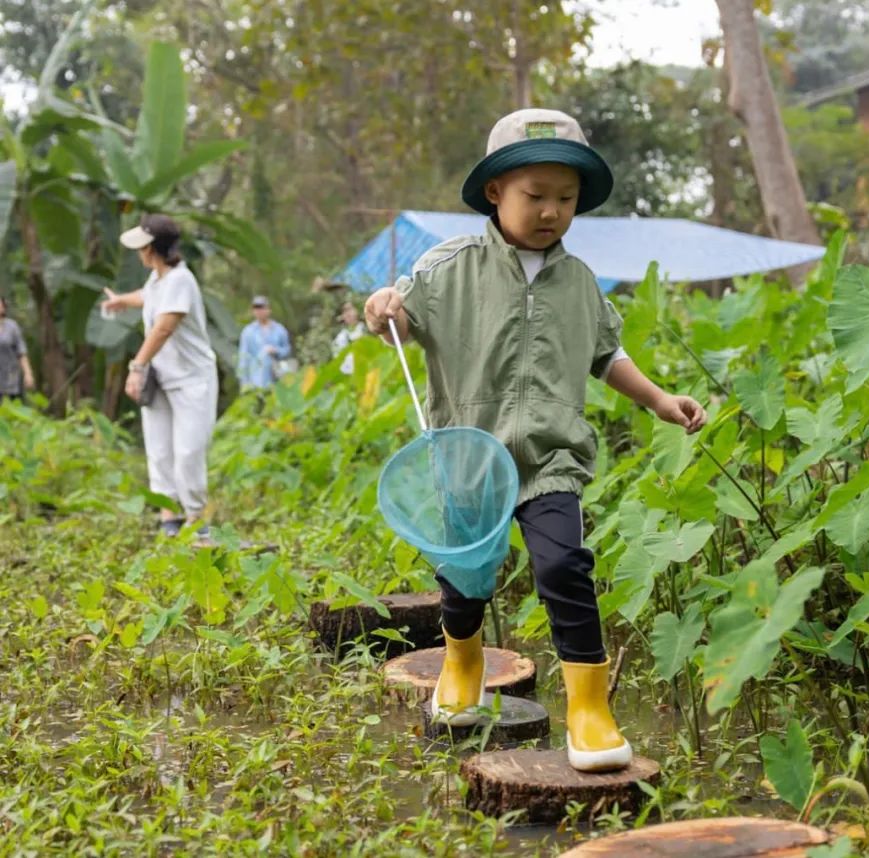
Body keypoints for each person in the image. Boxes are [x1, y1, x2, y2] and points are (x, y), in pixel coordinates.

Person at [365, 108, 706, 772]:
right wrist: (384, 310)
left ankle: (589, 710)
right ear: (495, 192)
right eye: (535, 195)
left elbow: (606, 354)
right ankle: (463, 660)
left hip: (551, 457)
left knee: (563, 570)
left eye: (566, 198)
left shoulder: (578, 282)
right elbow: (399, 318)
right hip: (471, 459)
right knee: (467, 580)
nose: (551, 211)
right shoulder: (450, 267)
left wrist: (661, 399)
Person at [101, 215, 218, 539]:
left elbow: (164, 327)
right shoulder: (158, 279)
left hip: (192, 379)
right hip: (162, 378)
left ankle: (195, 516)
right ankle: (169, 515)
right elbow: (148, 296)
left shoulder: (182, 279)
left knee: (188, 451)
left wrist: (136, 367)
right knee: (159, 449)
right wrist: (122, 301)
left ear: (151, 249)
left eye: (141, 246)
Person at [237, 295, 292, 388]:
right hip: (255, 380)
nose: (259, 311)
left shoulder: (279, 330)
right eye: (256, 308)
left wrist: (276, 350)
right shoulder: (248, 332)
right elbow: (243, 357)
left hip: (277, 379)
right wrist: (244, 382)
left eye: (262, 308)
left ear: (269, 310)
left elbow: (287, 350)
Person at [0, 296, 34, 401]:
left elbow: (21, 353)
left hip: (11, 378)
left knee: (12, 409)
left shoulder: (12, 326)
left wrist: (28, 374)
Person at [331, 300, 366, 375]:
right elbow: (338, 361)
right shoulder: (340, 338)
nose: (348, 314)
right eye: (344, 311)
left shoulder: (368, 329)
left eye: (350, 309)